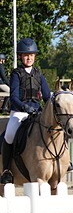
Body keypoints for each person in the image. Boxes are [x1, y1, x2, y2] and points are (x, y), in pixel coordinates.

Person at [2, 38, 52, 183]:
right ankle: (6, 170)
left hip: (37, 112)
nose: (29, 58)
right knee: (9, 135)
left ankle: (63, 161)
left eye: (31, 55)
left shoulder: (39, 74)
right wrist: (24, 107)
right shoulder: (16, 74)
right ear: (20, 56)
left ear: (35, 56)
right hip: (19, 112)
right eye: (25, 55)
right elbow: (13, 97)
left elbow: (47, 96)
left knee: (55, 129)